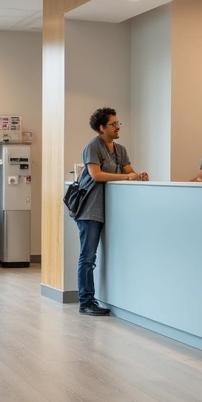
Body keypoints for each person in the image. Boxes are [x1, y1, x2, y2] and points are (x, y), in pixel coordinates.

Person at [74, 107, 148, 317]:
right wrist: (127, 177)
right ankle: (86, 302)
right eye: (113, 124)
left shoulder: (120, 150)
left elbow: (129, 171)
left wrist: (138, 176)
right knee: (88, 257)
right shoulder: (92, 147)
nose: (118, 127)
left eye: (118, 123)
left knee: (100, 256)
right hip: (90, 210)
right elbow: (96, 175)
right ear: (101, 128)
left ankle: (96, 299)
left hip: (111, 212)